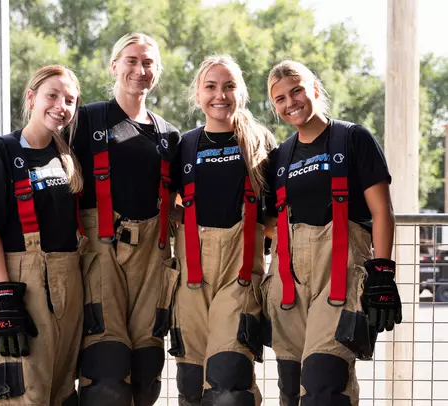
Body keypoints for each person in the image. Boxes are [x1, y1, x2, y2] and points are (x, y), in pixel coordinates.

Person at [262, 59, 403, 406]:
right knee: (291, 390)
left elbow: (382, 211)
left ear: (314, 90)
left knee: (325, 387)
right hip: (289, 284)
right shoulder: (279, 156)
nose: (290, 102)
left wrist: (382, 274)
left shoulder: (353, 138)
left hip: (339, 277)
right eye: (279, 98)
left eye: (296, 90)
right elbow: (267, 224)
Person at [71, 32, 181, 406]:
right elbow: (44, 156)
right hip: (101, 254)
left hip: (153, 256)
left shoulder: (169, 135)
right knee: (107, 377)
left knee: (147, 371)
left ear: (157, 72)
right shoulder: (86, 120)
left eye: (148, 62)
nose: (139, 69)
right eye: (132, 60)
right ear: (115, 66)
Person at [0, 65, 88, 405]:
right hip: (20, 283)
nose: (60, 105)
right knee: (22, 392)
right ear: (32, 98)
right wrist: (4, 296)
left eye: (69, 100)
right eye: (52, 95)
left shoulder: (65, 156)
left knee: (61, 390)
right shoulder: (3, 152)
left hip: (66, 283)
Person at [168, 54, 275, 406]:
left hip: (240, 275)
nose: (220, 94)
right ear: (198, 95)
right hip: (191, 279)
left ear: (240, 93)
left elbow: (278, 213)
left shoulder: (261, 144)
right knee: (190, 388)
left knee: (230, 389)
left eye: (229, 86)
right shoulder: (182, 145)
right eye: (211, 86)